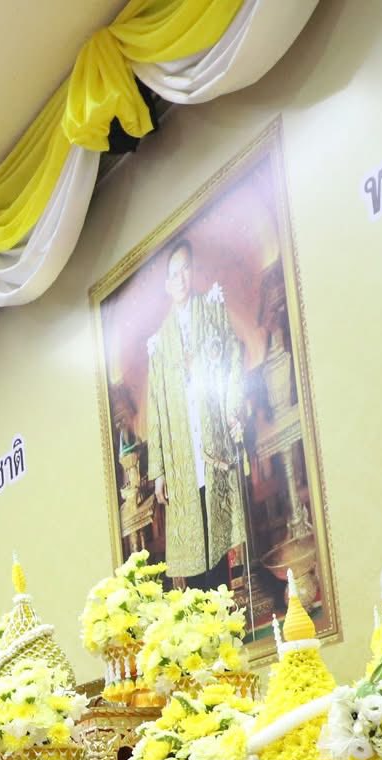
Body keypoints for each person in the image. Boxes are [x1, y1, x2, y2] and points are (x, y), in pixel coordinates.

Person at [145, 236, 248, 583]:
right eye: (174, 274)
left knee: (217, 532)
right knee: (194, 540)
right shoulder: (159, 343)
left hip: (212, 441)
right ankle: (207, 621)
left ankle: (226, 609)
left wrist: (233, 407)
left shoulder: (212, 308)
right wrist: (158, 471)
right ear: (166, 284)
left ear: (193, 270)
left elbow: (233, 356)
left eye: (185, 269)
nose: (181, 279)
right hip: (181, 458)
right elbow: (155, 410)